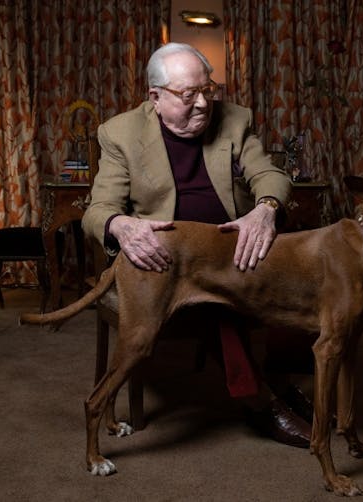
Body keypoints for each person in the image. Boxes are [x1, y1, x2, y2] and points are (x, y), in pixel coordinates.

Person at [83, 43, 312, 447]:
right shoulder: (120, 133)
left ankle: (278, 380)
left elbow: (269, 175)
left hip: (232, 246)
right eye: (189, 95)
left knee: (300, 276)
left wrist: (266, 209)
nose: (204, 103)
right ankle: (260, 402)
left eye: (208, 90)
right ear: (155, 97)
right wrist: (121, 225)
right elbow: (98, 209)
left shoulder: (235, 119)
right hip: (169, 259)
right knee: (219, 299)